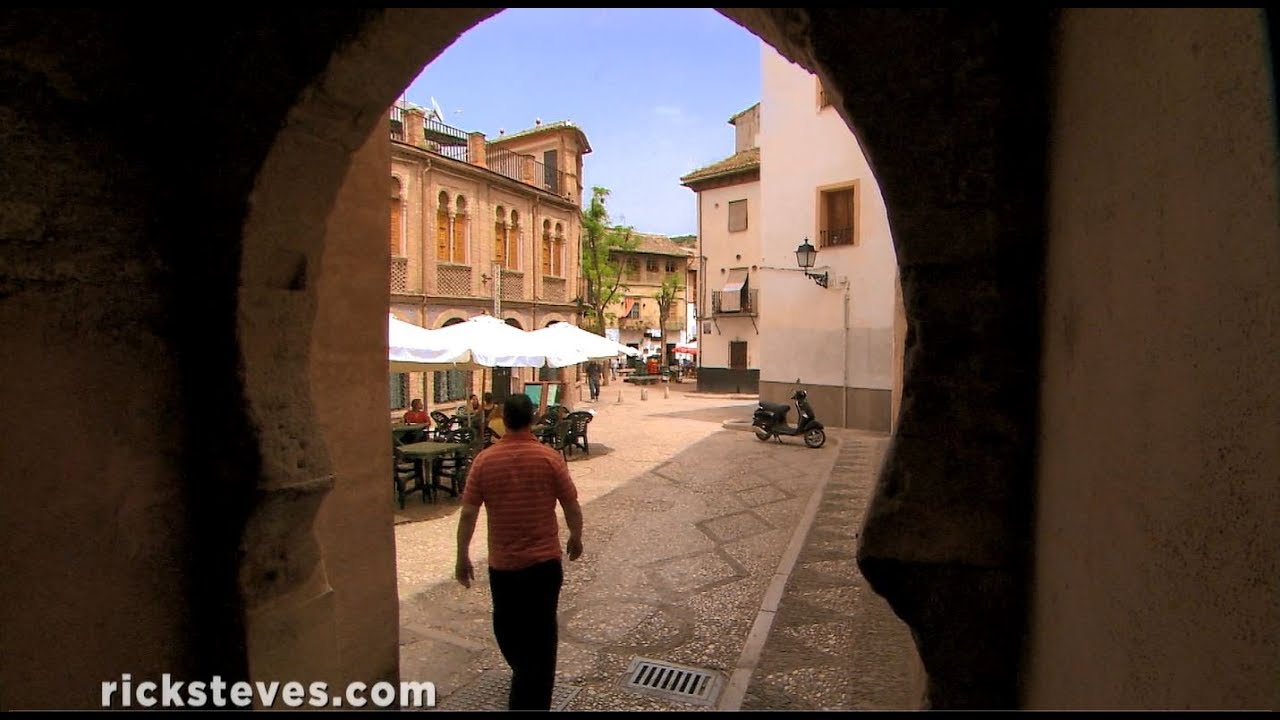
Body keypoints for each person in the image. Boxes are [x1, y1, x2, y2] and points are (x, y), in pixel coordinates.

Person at [455, 393, 584, 711]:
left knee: (507, 629)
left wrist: (462, 554)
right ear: (532, 419)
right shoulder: (549, 458)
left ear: (503, 420)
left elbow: (468, 513)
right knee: (541, 635)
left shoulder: (484, 461)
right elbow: (571, 505)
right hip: (543, 565)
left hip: (505, 566)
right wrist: (576, 536)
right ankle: (531, 689)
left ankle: (526, 692)